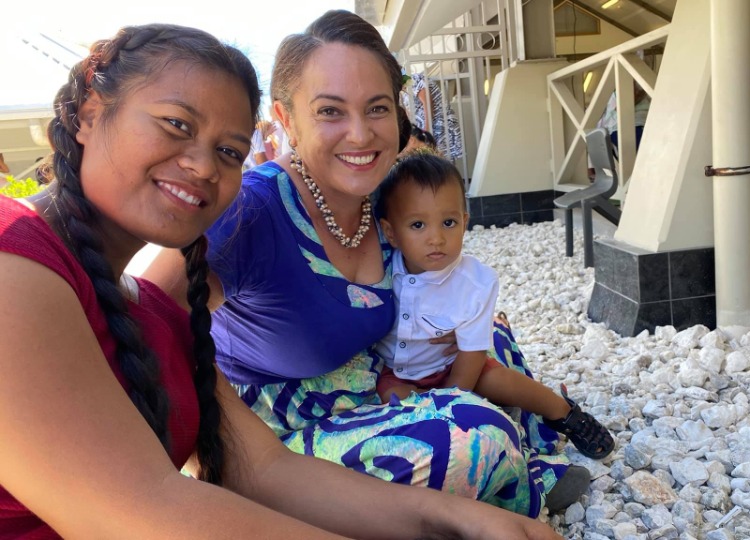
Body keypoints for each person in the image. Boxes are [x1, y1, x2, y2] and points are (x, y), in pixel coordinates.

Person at [0, 22, 561, 539]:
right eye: (176, 124)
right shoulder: (18, 264)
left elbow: (263, 469)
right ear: (89, 112)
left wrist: (465, 519)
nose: (201, 166)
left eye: (229, 151)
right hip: (293, 410)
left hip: (349, 395)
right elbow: (146, 510)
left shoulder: (156, 316)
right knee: (473, 434)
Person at [143, 10, 591, 518]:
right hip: (277, 424)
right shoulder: (251, 211)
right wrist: (197, 463)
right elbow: (145, 321)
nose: (360, 135)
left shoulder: (382, 198)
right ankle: (506, 467)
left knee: (490, 334)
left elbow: (439, 267)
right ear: (286, 118)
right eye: (331, 111)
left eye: (376, 108)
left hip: (371, 375)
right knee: (470, 434)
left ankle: (523, 448)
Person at [374, 151, 615, 460]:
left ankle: (562, 411)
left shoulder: (476, 283)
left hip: (452, 365)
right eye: (418, 225)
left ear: (465, 222)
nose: (436, 238)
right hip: (397, 374)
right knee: (388, 396)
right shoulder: (379, 269)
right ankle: (460, 412)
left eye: (448, 222)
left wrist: (452, 400)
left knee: (496, 379)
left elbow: (472, 354)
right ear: (391, 232)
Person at [409, 72, 464, 160]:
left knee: (441, 161)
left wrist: (425, 133)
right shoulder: (404, 89)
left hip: (439, 125)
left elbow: (428, 103)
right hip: (429, 128)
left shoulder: (412, 80)